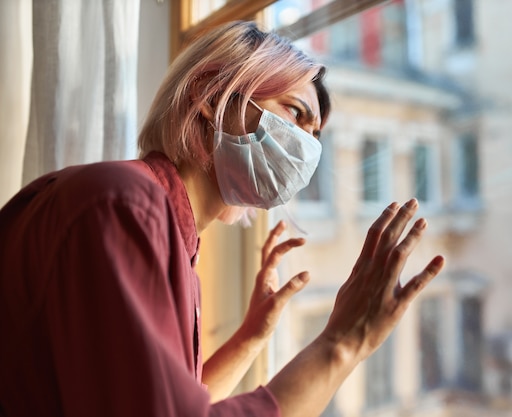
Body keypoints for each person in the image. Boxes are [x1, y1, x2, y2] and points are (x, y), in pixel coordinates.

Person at [0, 20, 445, 417]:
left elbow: (172, 401)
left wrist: (251, 337)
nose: (307, 148)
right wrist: (343, 342)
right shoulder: (125, 206)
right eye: (295, 113)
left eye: (314, 135)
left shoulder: (154, 222)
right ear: (211, 96)